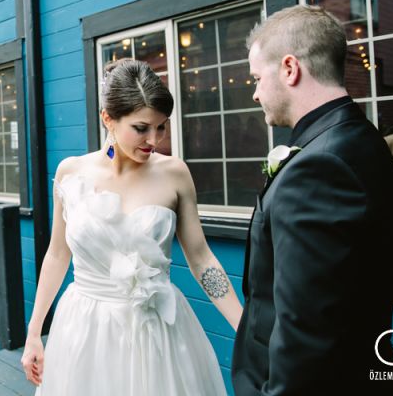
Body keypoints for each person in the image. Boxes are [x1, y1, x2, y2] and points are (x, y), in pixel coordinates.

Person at [21, 59, 243, 395]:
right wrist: (34, 332)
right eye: (141, 128)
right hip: (86, 330)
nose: (154, 139)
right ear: (108, 118)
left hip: (158, 329)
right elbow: (56, 254)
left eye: (161, 127)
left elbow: (201, 259)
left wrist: (242, 327)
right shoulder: (70, 173)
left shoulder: (175, 173)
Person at [232, 5, 393, 394]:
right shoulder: (358, 140)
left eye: (258, 78)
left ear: (290, 69)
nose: (256, 93)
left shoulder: (320, 167)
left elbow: (306, 337)